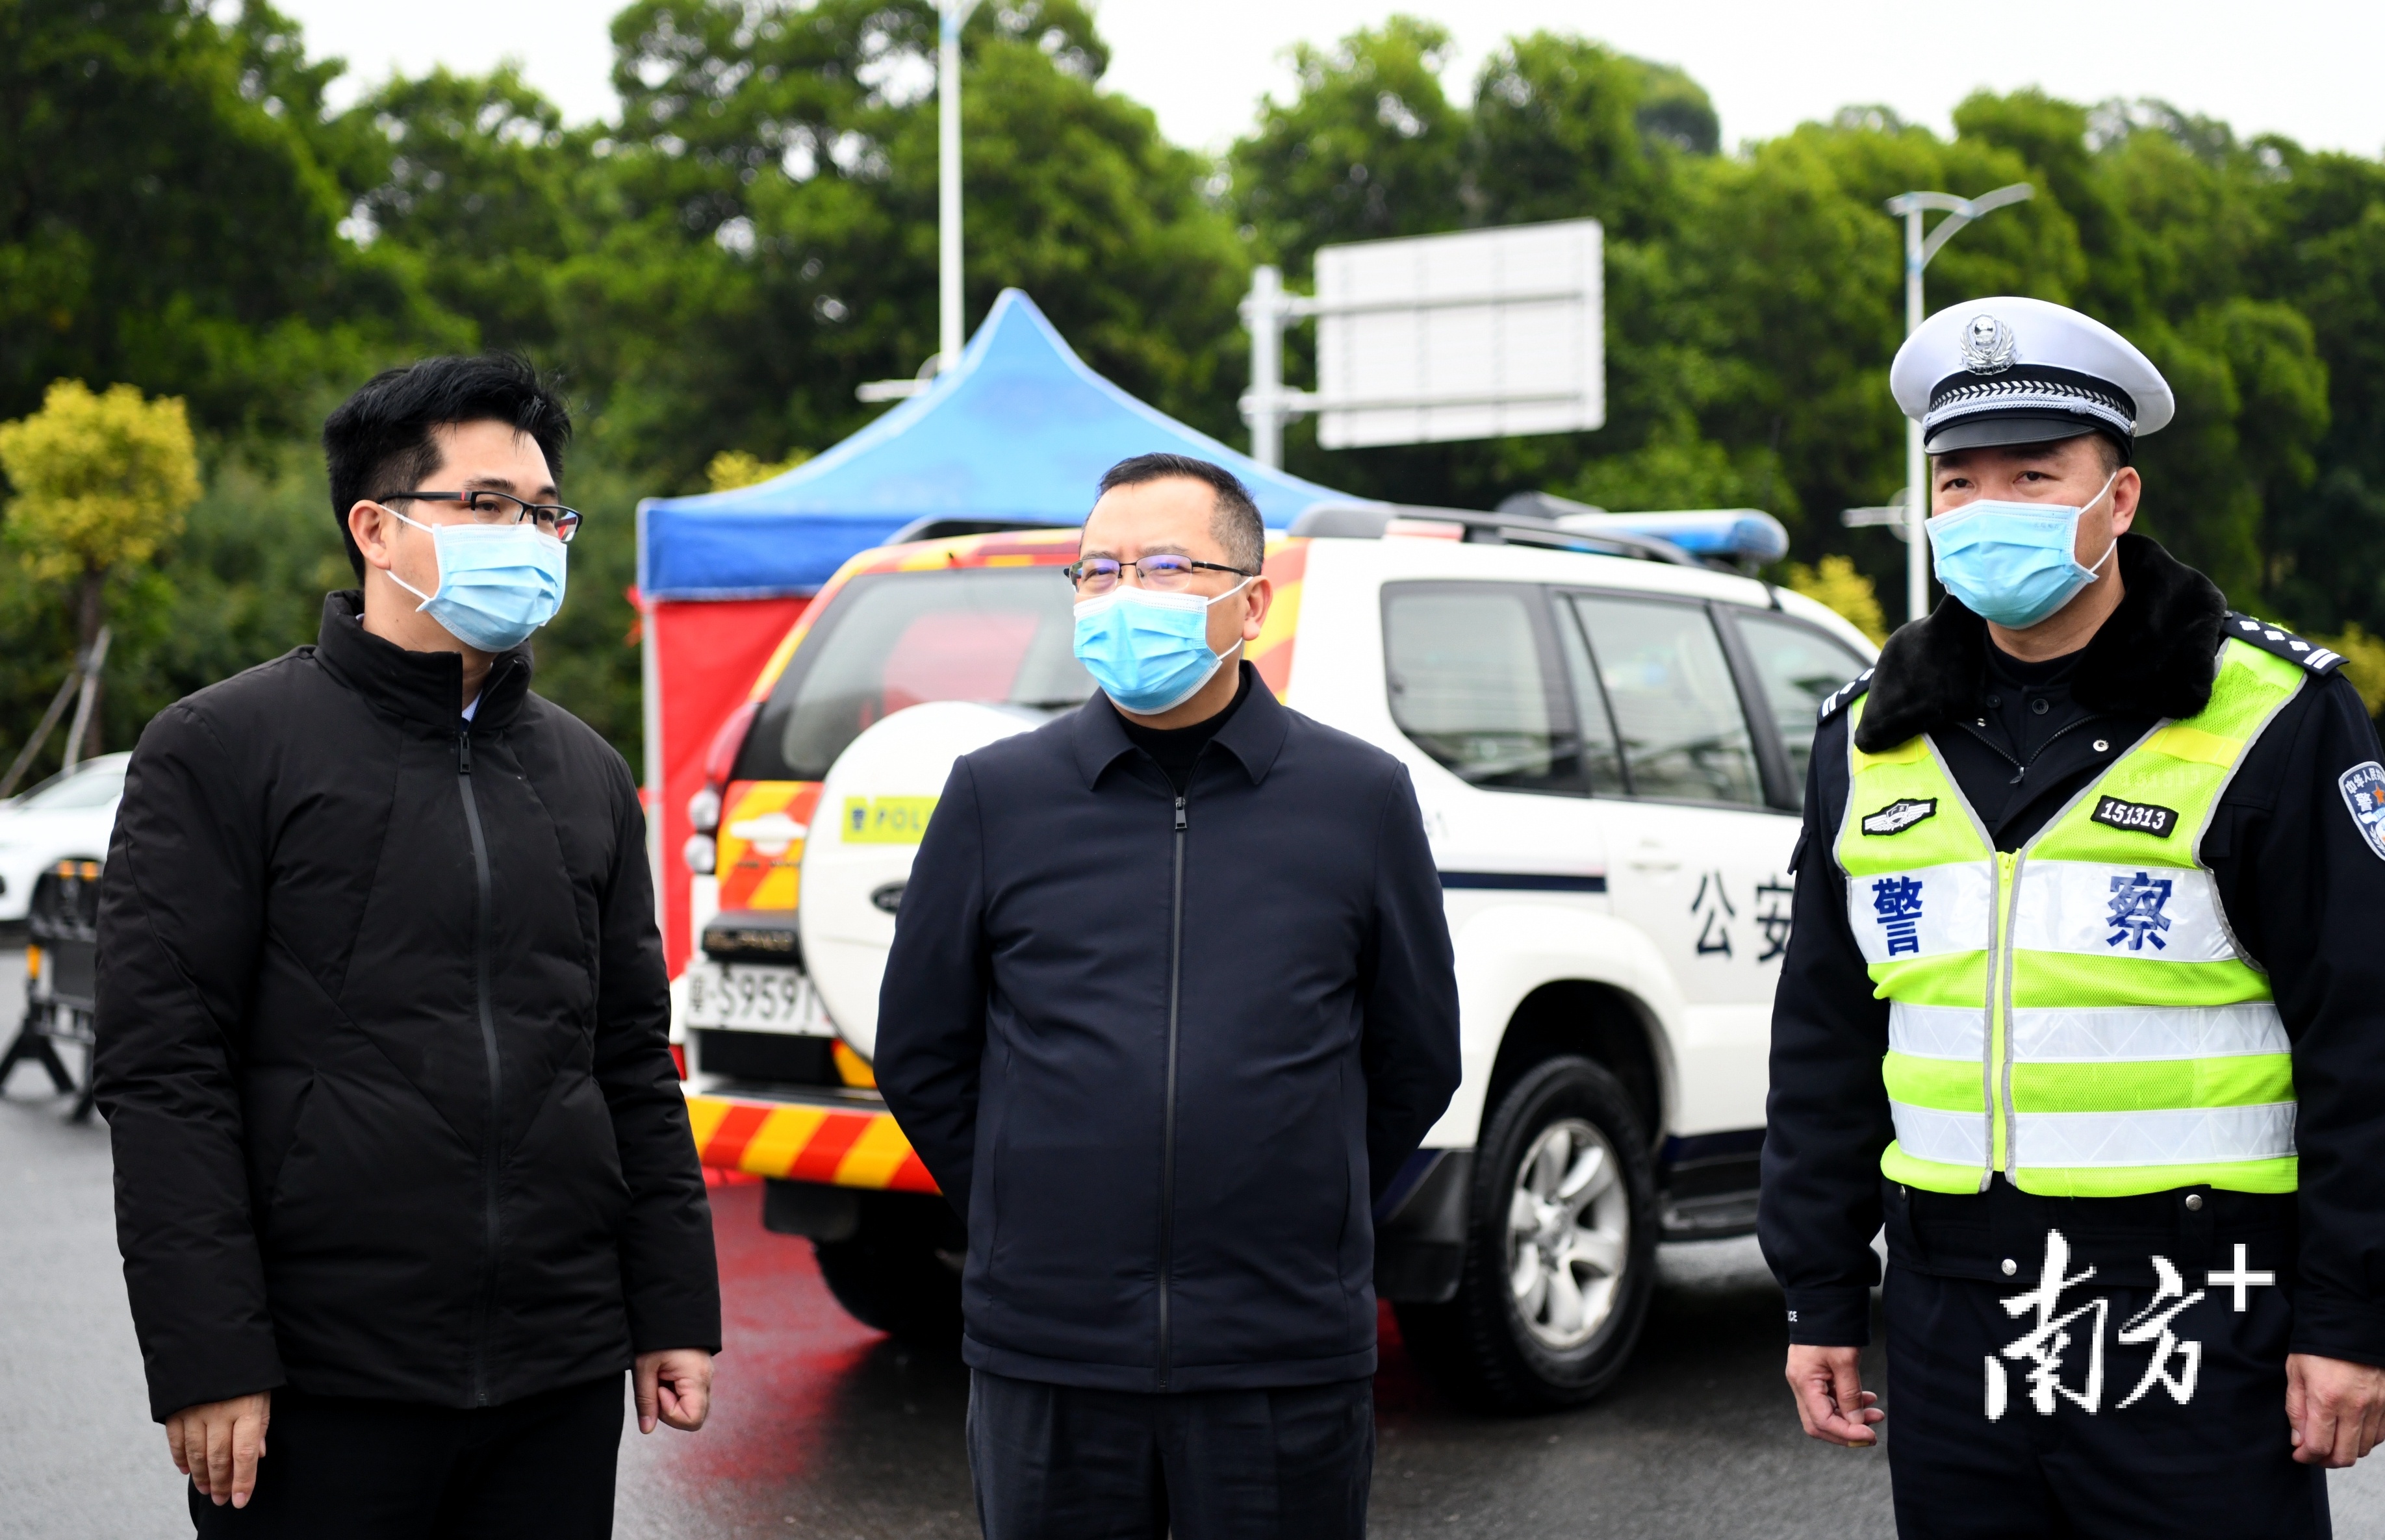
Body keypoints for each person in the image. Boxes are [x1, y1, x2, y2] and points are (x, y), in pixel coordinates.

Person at [1761, 296, 2385, 1536]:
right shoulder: (1868, 736)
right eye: (1958, 480)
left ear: (2121, 500)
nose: (1988, 507)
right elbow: (1826, 1039)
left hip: (2196, 1311)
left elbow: (2364, 1035)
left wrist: (2351, 1317)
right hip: (1951, 1319)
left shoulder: (2273, 715)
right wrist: (1819, 1296)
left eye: (2034, 473)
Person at [92, 355, 722, 1537]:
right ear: (376, 530)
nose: (528, 533)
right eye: (485, 504)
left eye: (545, 511)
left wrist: (671, 1307)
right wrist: (208, 1352)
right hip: (320, 1381)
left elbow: (632, 1056)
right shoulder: (222, 748)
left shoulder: (586, 773)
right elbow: (164, 1073)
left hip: (557, 1374)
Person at [874, 452, 1462, 1540]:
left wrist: (1303, 1197)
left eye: (1160, 566)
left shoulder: (1359, 799)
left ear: (1250, 600)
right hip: (1050, 1353)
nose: (1120, 596)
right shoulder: (1000, 796)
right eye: (1096, 572)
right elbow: (921, 1050)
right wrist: (1028, 1206)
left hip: (1280, 1355)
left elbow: (1416, 1055)